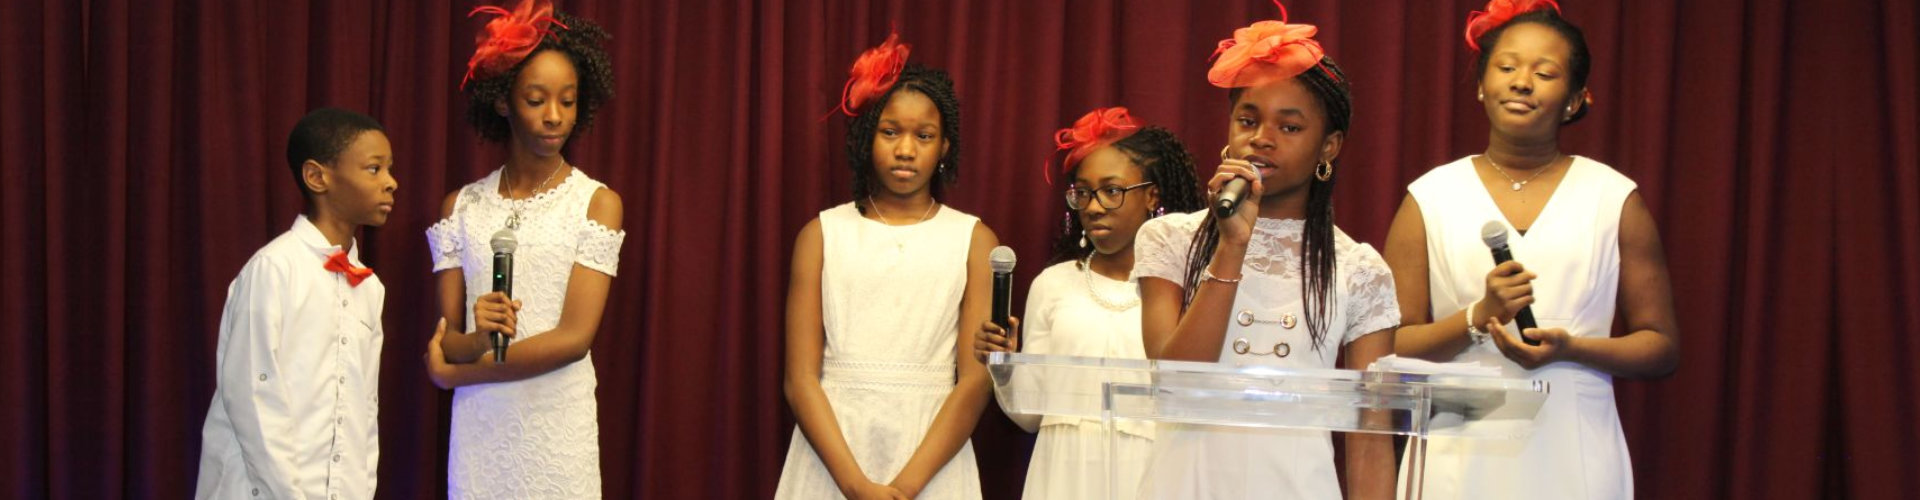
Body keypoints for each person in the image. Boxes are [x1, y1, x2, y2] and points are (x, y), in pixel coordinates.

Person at [1385, 1, 1680, 498]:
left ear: (1574, 99)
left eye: (1545, 73)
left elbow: (1660, 347)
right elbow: (1390, 345)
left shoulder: (1613, 197)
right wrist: (1478, 316)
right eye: (1506, 67)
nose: (1522, 82)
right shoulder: (1429, 196)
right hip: (1460, 450)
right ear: (1481, 85)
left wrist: (1572, 349)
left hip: (1573, 446)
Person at [1132, 2, 1400, 497]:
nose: (1263, 139)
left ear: (1330, 146)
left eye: (1290, 127)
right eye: (1248, 120)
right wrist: (1231, 245)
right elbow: (1176, 384)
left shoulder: (1360, 269)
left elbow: (1370, 438)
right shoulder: (1168, 239)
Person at [775, 31, 993, 500]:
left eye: (924, 136)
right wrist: (855, 485)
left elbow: (975, 383)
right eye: (890, 131)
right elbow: (800, 380)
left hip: (932, 455)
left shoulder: (974, 240)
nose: (906, 150)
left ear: (945, 148)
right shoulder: (821, 235)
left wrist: (905, 487)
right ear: (865, 137)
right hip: (834, 454)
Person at [422, 0, 626, 497]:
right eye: (536, 100)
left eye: (568, 101)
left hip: (557, 429)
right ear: (502, 101)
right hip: (481, 432)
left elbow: (575, 339)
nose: (555, 117)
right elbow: (449, 339)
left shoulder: (596, 203)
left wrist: (454, 375)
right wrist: (473, 341)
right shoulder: (462, 206)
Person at [971, 107, 1205, 500]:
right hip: (1063, 473)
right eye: (1082, 193)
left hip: (1153, 470)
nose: (1093, 207)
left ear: (1152, 195)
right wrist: (1006, 366)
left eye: (1112, 191)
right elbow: (1030, 417)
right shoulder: (1053, 284)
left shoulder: (1185, 289)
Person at [195, 107, 396, 500]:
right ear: (317, 177)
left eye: (389, 169)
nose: (391, 183)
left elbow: (362, 411)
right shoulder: (274, 268)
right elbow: (252, 394)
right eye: (374, 169)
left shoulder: (370, 288)